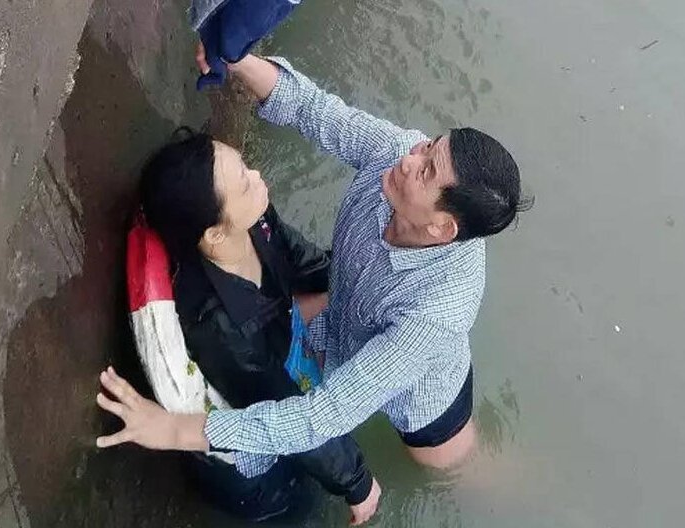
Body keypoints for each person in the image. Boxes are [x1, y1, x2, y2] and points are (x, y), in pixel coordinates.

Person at [95, 52, 533, 474]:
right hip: (341, 319)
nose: (408, 158)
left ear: (441, 228)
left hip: (422, 397)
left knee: (455, 466)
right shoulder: (400, 154)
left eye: (426, 170)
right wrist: (237, 59)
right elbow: (315, 111)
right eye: (429, 145)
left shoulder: (435, 315)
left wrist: (176, 429)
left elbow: (325, 414)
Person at [132, 130, 380, 524]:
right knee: (302, 509)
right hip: (252, 460)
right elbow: (286, 417)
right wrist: (356, 481)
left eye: (245, 167)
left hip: (274, 362)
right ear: (215, 233)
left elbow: (300, 259)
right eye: (245, 183)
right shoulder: (223, 329)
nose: (258, 176)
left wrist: (365, 284)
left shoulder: (252, 220)